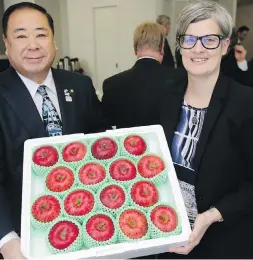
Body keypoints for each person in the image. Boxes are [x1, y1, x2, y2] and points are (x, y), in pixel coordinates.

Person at [0, 2, 108, 259]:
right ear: (6, 44)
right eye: (21, 36)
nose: (33, 44)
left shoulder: (80, 85)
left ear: (54, 42)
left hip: (87, 224)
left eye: (41, 34)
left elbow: (101, 144)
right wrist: (7, 242)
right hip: (24, 239)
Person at [155, 1, 253, 259]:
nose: (197, 49)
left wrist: (212, 215)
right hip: (169, 235)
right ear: (180, 45)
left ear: (224, 46)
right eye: (189, 39)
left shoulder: (246, 103)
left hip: (224, 240)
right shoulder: (166, 94)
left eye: (209, 39)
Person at [102, 22, 185, 129]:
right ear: (162, 48)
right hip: (168, 145)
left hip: (127, 143)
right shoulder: (180, 78)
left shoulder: (112, 84)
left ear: (135, 48)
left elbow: (104, 125)